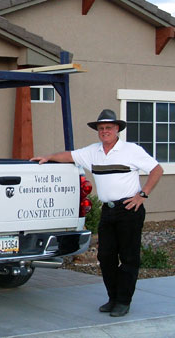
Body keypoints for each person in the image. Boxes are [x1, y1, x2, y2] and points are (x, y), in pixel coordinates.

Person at [31, 109, 163, 317]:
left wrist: (142, 195)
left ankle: (123, 301)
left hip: (129, 209)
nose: (104, 131)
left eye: (108, 128)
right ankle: (112, 298)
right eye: (101, 128)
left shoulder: (131, 150)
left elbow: (157, 170)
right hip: (108, 212)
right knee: (105, 256)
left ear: (117, 129)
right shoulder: (93, 152)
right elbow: (69, 155)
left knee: (129, 258)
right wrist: (48, 157)